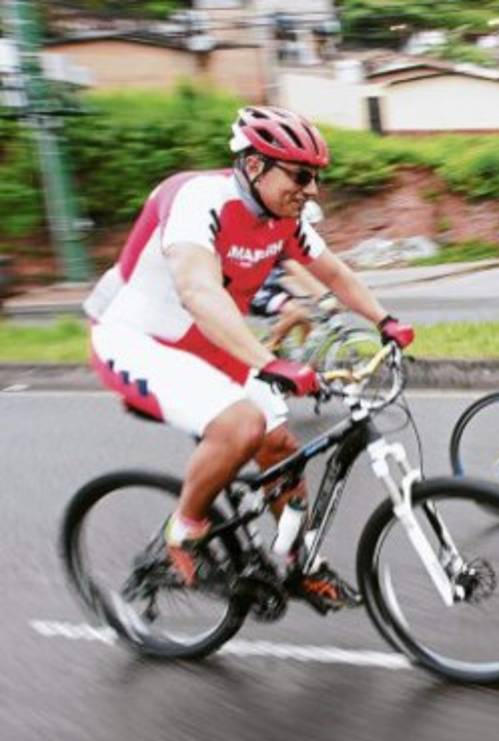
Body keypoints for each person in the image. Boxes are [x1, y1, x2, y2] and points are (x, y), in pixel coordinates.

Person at [84, 105, 414, 610]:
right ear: (256, 165)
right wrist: (270, 360)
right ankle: (185, 528)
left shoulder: (285, 219)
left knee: (280, 446)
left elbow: (335, 274)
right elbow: (197, 288)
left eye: (317, 178)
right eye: (302, 176)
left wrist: (385, 320)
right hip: (138, 340)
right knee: (242, 424)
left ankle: (295, 563)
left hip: (208, 346)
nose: (312, 190)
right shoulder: (198, 198)